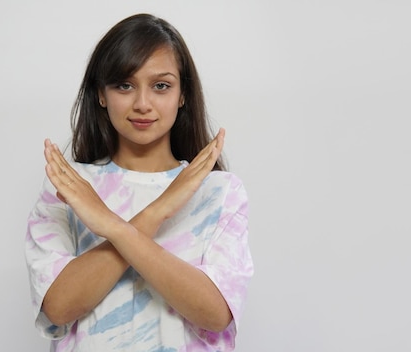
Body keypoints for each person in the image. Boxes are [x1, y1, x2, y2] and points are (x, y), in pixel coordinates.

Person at [25, 13, 253, 351]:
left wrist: (112, 226)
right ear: (101, 94)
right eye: (124, 85)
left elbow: (216, 313)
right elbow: (59, 307)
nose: (142, 104)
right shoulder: (69, 189)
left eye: (161, 85)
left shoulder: (218, 192)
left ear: (182, 94)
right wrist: (156, 212)